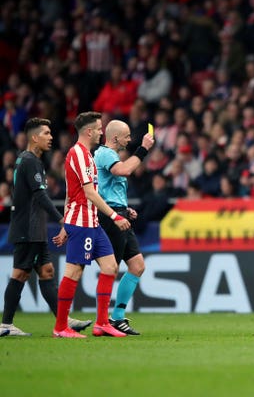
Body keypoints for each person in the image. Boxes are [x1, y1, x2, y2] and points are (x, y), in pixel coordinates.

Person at [2, 118, 92, 336]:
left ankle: (63, 321)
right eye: (46, 133)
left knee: (46, 271)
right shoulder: (30, 160)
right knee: (20, 274)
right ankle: (5, 325)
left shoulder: (31, 160)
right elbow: (40, 195)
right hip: (28, 228)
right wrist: (62, 219)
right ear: (34, 138)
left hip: (35, 228)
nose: (51, 137)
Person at [52, 111, 131, 338]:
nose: (101, 132)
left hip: (92, 222)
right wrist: (115, 216)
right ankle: (60, 327)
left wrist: (63, 225)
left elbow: (71, 193)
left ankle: (102, 324)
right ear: (88, 131)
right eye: (98, 128)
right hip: (82, 222)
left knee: (110, 267)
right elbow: (88, 193)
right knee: (74, 272)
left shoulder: (87, 155)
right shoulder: (79, 154)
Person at [93, 119, 154, 335]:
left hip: (119, 214)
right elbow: (124, 171)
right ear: (115, 137)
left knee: (137, 265)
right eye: (127, 135)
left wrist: (125, 208)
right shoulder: (106, 154)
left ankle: (117, 318)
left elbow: (109, 187)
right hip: (109, 217)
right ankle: (102, 322)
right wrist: (143, 149)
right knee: (111, 268)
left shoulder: (110, 156)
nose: (129, 139)